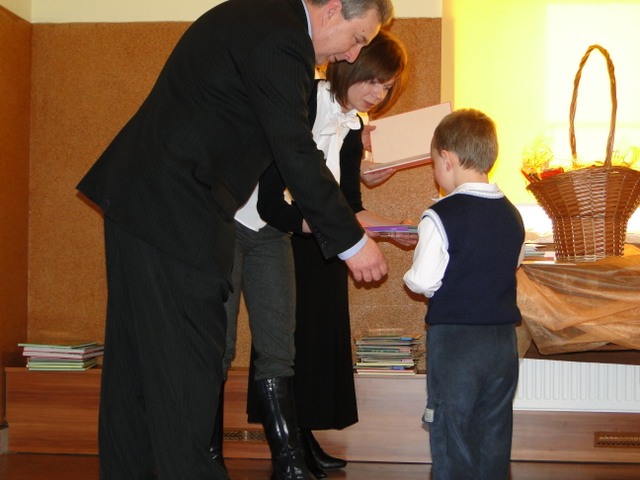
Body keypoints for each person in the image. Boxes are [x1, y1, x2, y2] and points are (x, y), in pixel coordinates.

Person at [75, 1, 395, 479]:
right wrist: (352, 241)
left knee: (135, 366)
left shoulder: (262, 20)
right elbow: (294, 150)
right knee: (188, 364)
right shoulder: (282, 38)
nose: (352, 54)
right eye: (358, 38)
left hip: (144, 199)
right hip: (175, 208)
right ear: (332, 10)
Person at [241, 30, 413, 479]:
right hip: (281, 233)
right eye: (373, 80)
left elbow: (350, 205)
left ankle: (303, 436)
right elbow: (277, 192)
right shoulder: (306, 98)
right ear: (349, 65)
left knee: (319, 342)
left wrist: (393, 231)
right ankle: (292, 441)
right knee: (287, 342)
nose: (377, 93)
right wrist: (333, 229)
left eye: (386, 87)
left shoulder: (353, 124)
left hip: (326, 239)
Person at [403, 108, 525, 480]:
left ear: (447, 159)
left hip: (457, 342)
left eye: (434, 165)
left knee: (451, 427)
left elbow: (422, 281)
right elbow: (513, 263)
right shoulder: (512, 214)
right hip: (503, 342)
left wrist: (413, 267)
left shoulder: (440, 214)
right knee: (494, 428)